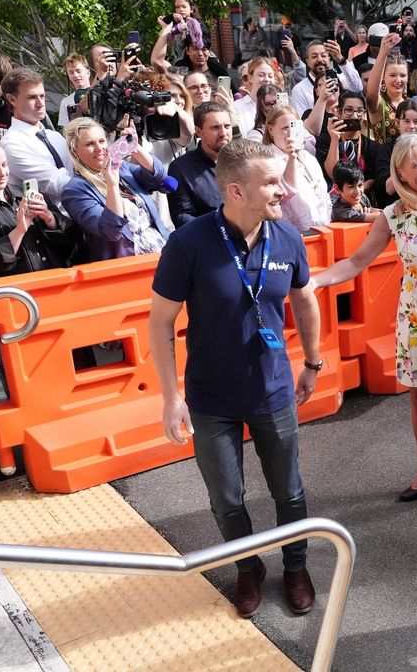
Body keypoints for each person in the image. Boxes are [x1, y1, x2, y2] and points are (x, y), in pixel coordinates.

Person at [149, 138, 323, 619]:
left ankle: (296, 567)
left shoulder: (286, 236)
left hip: (273, 390)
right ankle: (248, 570)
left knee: (288, 490)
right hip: (211, 398)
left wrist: (313, 361)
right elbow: (160, 321)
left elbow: (304, 300)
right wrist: (171, 397)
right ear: (235, 191)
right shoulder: (189, 242)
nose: (283, 189)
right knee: (227, 499)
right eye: (270, 181)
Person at [311, 133, 417, 509]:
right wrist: (315, 280)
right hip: (416, 315)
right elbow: (357, 261)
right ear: (401, 173)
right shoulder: (394, 216)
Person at [0, 130, 77, 386]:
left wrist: (49, 218)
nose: (2, 172)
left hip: (52, 300)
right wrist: (20, 229)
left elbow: (70, 239)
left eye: (4, 165)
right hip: (12, 314)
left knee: (72, 373)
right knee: (30, 385)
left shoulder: (22, 195)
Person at [61, 117, 170, 260]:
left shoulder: (121, 167)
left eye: (102, 141)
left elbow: (157, 179)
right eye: (90, 144)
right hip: (127, 265)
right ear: (75, 151)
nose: (99, 148)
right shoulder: (74, 190)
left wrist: (135, 148)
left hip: (162, 251)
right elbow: (110, 230)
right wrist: (112, 185)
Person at [0, 68, 73, 208]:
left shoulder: (55, 136)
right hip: (58, 224)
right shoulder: (11, 144)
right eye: (32, 97)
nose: (40, 103)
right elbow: (57, 184)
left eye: (42, 96)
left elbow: (87, 167)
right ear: (12, 99)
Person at [262, 105, 332, 232]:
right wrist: (291, 157)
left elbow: (324, 195)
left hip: (324, 230)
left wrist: (327, 222)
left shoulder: (309, 158)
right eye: (284, 128)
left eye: (294, 127)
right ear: (271, 130)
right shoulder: (268, 162)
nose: (290, 133)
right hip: (293, 235)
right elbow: (285, 193)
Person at [167, 102, 232, 228]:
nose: (223, 133)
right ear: (198, 131)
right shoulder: (181, 169)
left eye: (227, 126)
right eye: (215, 127)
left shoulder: (244, 161)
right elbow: (182, 217)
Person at [315, 90, 379, 188]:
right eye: (349, 110)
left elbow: (372, 178)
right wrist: (335, 139)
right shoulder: (326, 140)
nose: (354, 115)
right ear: (339, 112)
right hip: (334, 198)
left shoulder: (372, 146)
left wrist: (355, 191)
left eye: (359, 111)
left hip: (360, 196)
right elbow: (332, 174)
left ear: (364, 114)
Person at [374, 100, 417, 207]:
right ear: (397, 122)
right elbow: (387, 189)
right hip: (397, 206)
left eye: (416, 121)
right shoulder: (386, 150)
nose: (412, 126)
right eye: (406, 121)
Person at [290, 40, 362, 118]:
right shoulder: (299, 90)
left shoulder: (340, 79)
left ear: (329, 58)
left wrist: (341, 60)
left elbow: (357, 88)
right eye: (314, 56)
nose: (320, 60)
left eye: (323, 55)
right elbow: (301, 122)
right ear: (307, 61)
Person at [367, 34, 410, 143]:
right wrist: (383, 53)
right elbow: (371, 94)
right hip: (386, 159)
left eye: (403, 75)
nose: (398, 80)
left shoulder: (412, 104)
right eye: (392, 75)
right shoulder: (380, 105)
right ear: (383, 78)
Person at [233, 58, 277, 134]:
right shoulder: (237, 108)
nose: (266, 79)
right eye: (261, 75)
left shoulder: (281, 106)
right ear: (250, 78)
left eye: (270, 76)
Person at [56, 53, 91, 130]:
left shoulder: (99, 94)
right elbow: (66, 131)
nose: (75, 75)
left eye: (78, 71)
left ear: (88, 72)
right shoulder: (66, 102)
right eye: (71, 72)